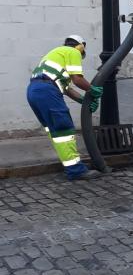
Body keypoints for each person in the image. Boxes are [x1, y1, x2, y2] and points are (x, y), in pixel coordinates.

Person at [27, 35, 103, 181]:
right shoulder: (73, 52)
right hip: (47, 91)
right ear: (80, 47)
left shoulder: (56, 55)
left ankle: (70, 166)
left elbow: (66, 88)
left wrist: (82, 100)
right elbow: (78, 79)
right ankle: (75, 170)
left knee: (57, 133)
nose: (81, 56)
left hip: (34, 91)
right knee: (64, 129)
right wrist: (92, 90)